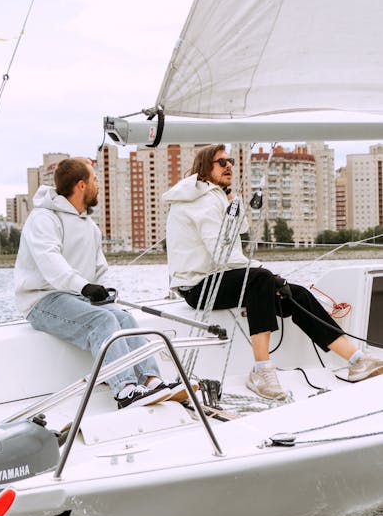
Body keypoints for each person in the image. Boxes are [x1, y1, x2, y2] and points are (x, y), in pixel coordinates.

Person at [163, 143, 383, 401]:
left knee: (296, 294)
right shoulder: (200, 201)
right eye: (221, 162)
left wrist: (234, 202)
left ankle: (357, 359)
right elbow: (220, 252)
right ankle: (261, 371)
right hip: (198, 287)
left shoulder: (217, 196)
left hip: (220, 277)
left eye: (230, 160)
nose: (229, 165)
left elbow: (238, 232)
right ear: (204, 168)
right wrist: (266, 275)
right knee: (262, 280)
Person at [15, 157, 179, 409]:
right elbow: (51, 263)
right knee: (102, 321)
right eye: (94, 180)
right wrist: (84, 287)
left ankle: (152, 380)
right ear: (81, 185)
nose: (97, 185)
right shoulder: (44, 218)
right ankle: (124, 390)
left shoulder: (89, 225)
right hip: (42, 300)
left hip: (77, 298)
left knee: (124, 318)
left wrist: (99, 291)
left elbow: (98, 269)